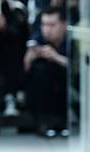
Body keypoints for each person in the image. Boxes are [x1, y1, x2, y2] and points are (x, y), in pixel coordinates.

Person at [23, 6, 68, 137]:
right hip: (44, 88)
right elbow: (25, 68)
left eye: (52, 25)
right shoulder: (38, 38)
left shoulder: (71, 40)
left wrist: (56, 57)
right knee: (39, 69)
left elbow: (79, 70)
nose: (47, 30)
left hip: (66, 86)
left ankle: (64, 120)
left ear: (64, 25)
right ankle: (43, 121)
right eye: (44, 24)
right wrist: (30, 57)